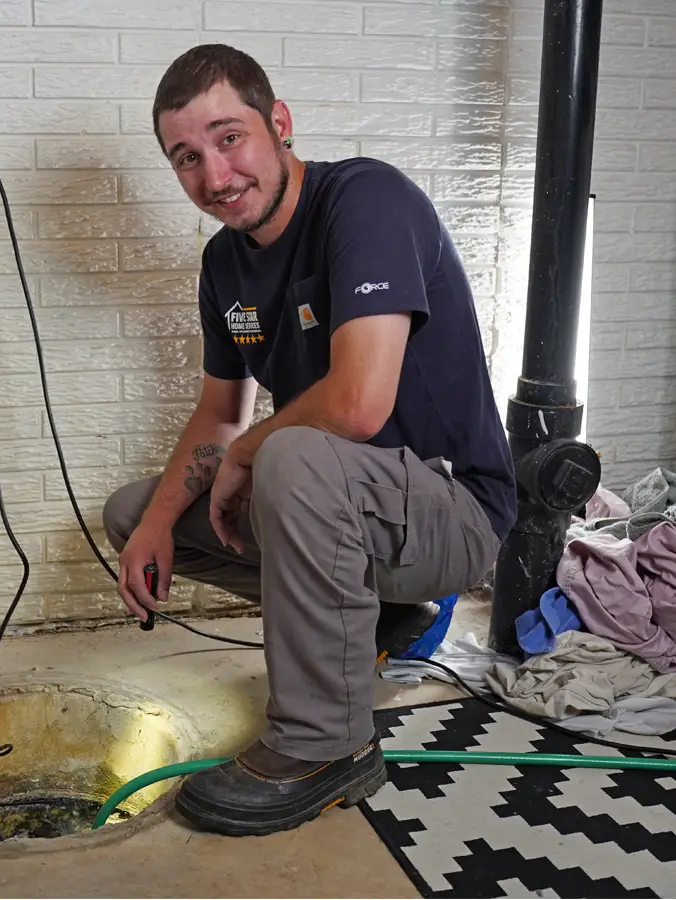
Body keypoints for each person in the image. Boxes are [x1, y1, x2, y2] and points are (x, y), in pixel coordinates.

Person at [102, 43, 517, 837]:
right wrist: (157, 522)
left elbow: (359, 404)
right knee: (135, 512)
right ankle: (376, 618)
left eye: (229, 139)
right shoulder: (225, 264)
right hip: (345, 504)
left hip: (455, 512)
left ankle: (327, 746)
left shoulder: (365, 199)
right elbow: (221, 413)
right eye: (186, 158)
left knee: (286, 453)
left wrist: (252, 451)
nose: (214, 177)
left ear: (279, 124)